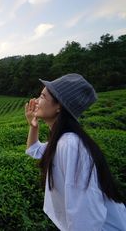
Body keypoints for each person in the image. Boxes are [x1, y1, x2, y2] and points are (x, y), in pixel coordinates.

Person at [24, 73, 126, 231]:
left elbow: (85, 214)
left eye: (42, 96)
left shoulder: (71, 145)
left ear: (59, 106)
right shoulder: (62, 141)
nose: (36, 101)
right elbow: (33, 150)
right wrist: (33, 125)